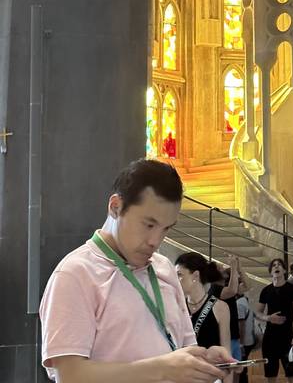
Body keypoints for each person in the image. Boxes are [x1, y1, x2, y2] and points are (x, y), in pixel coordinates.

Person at [39, 158, 233, 382]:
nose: (155, 241)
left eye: (165, 229)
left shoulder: (164, 268)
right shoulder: (75, 274)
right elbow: (70, 375)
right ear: (115, 207)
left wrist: (203, 361)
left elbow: (183, 348)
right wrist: (163, 369)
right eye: (148, 225)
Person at [256, 257, 293, 381]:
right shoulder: (266, 291)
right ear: (270, 271)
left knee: (292, 375)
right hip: (270, 338)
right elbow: (258, 313)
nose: (276, 267)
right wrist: (268, 318)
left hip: (288, 337)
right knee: (270, 376)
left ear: (285, 270)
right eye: (274, 265)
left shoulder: (292, 290)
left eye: (279, 265)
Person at [176, 252, 232, 353]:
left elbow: (226, 350)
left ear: (196, 276)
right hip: (184, 366)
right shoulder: (177, 306)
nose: (176, 280)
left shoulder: (220, 307)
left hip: (210, 367)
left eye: (179, 275)